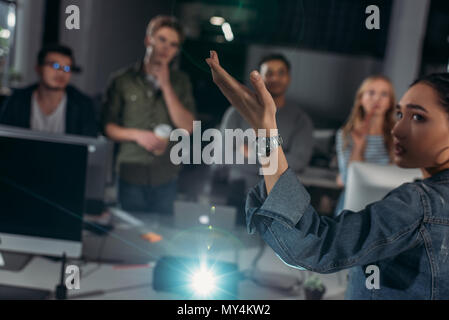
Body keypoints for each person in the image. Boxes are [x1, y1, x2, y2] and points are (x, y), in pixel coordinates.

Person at [207, 50, 449, 299]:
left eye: (418, 117)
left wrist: (265, 132)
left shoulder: (421, 205)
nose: (398, 129)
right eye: (400, 114)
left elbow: (313, 245)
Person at [102, 15, 196, 214]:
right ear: (148, 40)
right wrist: (138, 135)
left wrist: (166, 85)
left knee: (161, 238)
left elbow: (187, 127)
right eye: (161, 39)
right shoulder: (121, 80)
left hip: (166, 174)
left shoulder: (181, 82)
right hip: (130, 171)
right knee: (128, 234)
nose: (165, 48)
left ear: (177, 51)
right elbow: (107, 126)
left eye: (173, 44)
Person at [218, 53, 314, 223]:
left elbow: (299, 161)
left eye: (280, 73)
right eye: (269, 73)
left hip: (277, 198)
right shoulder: (236, 112)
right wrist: (276, 157)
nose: (275, 78)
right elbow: (224, 153)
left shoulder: (301, 120)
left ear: (289, 78)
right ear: (259, 77)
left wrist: (252, 152)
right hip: (237, 193)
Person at [0, 44, 98, 137]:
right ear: (38, 68)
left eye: (67, 68)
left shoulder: (83, 105)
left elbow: (89, 144)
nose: (61, 72)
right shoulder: (17, 100)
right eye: (55, 66)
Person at [334, 76, 396, 215]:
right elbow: (346, 180)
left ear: (390, 102)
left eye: (384, 94)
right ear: (361, 99)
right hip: (352, 207)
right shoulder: (346, 135)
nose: (377, 99)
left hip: (385, 208)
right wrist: (358, 146)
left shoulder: (398, 135)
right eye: (371, 93)